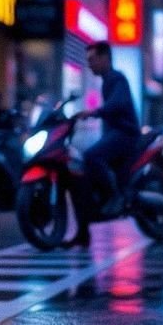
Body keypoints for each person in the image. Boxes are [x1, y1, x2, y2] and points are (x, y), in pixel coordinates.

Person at [64, 41, 141, 249]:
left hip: (126, 135)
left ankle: (114, 195)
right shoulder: (108, 80)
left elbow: (118, 103)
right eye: (87, 61)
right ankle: (83, 233)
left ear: (105, 58)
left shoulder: (116, 78)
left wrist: (94, 112)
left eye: (92, 60)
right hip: (114, 135)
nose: (89, 65)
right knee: (79, 175)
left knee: (90, 157)